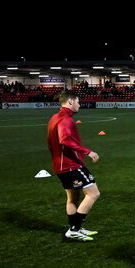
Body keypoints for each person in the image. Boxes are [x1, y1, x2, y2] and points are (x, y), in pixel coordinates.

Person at [46, 90, 102, 242]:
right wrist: (88, 152)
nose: (79, 105)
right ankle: (74, 229)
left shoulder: (55, 117)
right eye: (78, 102)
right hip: (70, 165)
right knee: (93, 193)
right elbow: (64, 140)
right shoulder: (66, 119)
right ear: (70, 102)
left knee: (73, 197)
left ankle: (75, 228)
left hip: (60, 165)